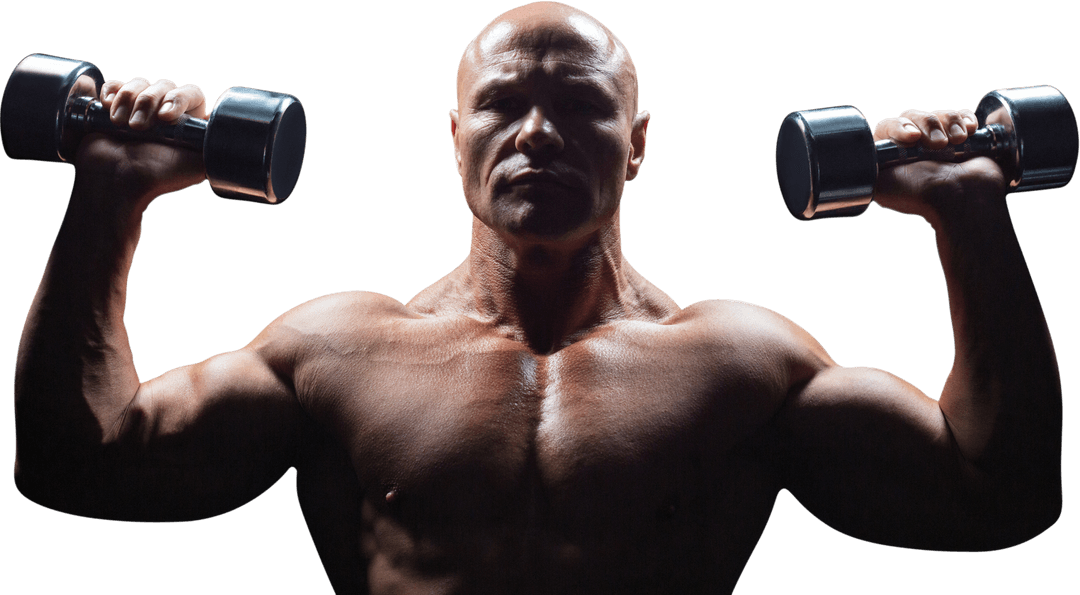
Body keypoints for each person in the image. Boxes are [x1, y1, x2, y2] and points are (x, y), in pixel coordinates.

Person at [12, 2, 1062, 593]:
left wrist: (970, 209)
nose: (539, 133)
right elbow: (79, 461)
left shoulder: (743, 362)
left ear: (638, 144)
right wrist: (111, 188)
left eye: (580, 106)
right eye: (503, 104)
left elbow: (998, 494)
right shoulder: (334, 348)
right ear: (454, 138)